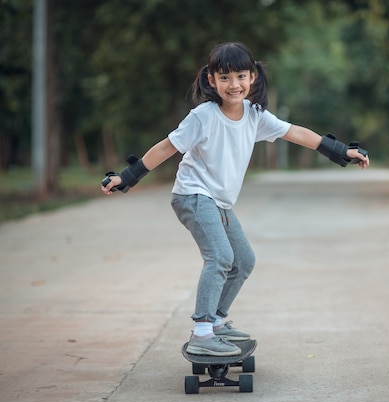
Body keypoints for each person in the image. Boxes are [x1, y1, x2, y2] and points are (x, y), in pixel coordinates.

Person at [101, 42, 369, 356]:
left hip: (218, 201)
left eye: (241, 76)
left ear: (253, 77)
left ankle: (215, 321)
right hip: (193, 195)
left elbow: (296, 133)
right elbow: (166, 147)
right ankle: (202, 333)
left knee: (243, 261)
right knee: (220, 257)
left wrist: (342, 152)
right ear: (211, 80)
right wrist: (127, 176)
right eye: (224, 77)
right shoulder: (203, 116)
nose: (234, 84)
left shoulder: (255, 115)